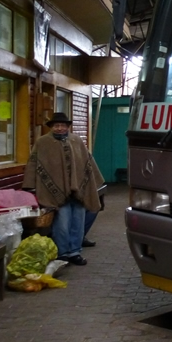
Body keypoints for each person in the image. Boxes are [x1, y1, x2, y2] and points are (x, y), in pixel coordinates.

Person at [23, 113, 105, 266]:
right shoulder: (43, 143)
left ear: (68, 126)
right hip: (56, 193)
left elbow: (87, 162)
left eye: (62, 125)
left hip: (78, 192)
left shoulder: (77, 140)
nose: (59, 128)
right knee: (62, 225)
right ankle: (63, 254)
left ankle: (75, 252)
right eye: (56, 125)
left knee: (78, 224)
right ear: (52, 127)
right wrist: (30, 185)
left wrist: (94, 183)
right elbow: (34, 163)